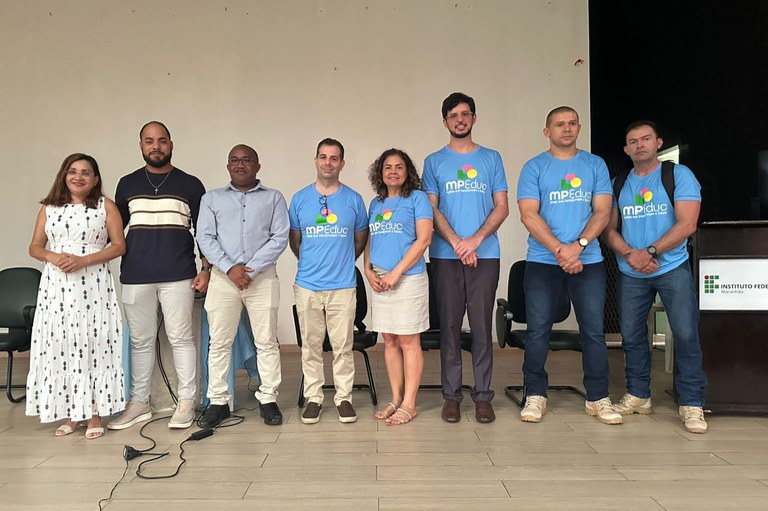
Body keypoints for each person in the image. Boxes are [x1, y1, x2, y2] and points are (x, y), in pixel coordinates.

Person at [517, 106, 622, 425]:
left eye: (572, 123)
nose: (567, 128)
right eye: (559, 124)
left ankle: (598, 397)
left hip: (587, 261)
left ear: (579, 128)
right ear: (547, 132)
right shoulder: (534, 167)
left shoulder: (595, 165)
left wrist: (578, 247)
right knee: (537, 331)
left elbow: (602, 211)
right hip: (542, 262)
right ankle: (535, 394)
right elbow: (528, 214)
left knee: (592, 331)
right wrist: (560, 249)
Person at [602, 120, 708, 433]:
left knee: (686, 334)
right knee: (633, 336)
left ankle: (691, 403)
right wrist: (631, 255)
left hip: (672, 266)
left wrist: (649, 252)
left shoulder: (678, 175)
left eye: (645, 139)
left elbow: (687, 224)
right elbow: (607, 228)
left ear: (658, 142)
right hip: (631, 270)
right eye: (633, 141)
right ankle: (638, 395)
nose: (639, 145)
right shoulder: (619, 181)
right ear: (626, 149)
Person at [108, 121, 209, 431]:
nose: (156, 146)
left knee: (181, 338)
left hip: (178, 273)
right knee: (140, 341)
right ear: (141, 145)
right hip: (135, 274)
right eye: (149, 141)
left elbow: (203, 233)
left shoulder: (191, 184)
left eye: (162, 141)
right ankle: (139, 403)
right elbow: (115, 233)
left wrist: (206, 269)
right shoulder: (126, 184)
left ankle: (186, 401)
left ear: (171, 145)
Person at [422, 92, 509, 424]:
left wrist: (475, 240)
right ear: (444, 122)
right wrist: (458, 242)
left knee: (482, 327)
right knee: (450, 328)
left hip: (485, 255)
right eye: (453, 115)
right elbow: (431, 208)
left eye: (465, 114)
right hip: (446, 255)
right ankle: (452, 396)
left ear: (474, 118)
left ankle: (483, 396)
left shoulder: (491, 158)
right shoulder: (434, 161)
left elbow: (502, 207)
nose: (460, 119)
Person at [26, 153, 126, 439]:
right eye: (73, 171)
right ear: (64, 175)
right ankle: (71, 411)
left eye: (86, 172)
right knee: (62, 343)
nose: (78, 177)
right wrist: (53, 257)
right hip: (56, 286)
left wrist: (84, 260)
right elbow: (34, 246)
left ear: (95, 178)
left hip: (92, 284)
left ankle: (94, 413)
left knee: (92, 343)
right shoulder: (49, 208)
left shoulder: (106, 207)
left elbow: (119, 246)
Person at [196, 144, 289, 427]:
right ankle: (219, 401)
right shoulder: (211, 199)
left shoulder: (273, 198)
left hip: (261, 279)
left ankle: (268, 398)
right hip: (224, 281)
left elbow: (280, 236)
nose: (240, 165)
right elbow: (205, 237)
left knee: (267, 341)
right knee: (219, 342)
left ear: (257, 166)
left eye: (246, 160)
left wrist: (249, 269)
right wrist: (229, 268)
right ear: (228, 167)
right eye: (234, 160)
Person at [289, 138, 368, 424]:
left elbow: (360, 239)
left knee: (342, 347)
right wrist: (312, 261)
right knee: (310, 346)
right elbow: (295, 240)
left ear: (342, 164)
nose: (328, 163)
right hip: (308, 284)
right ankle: (313, 398)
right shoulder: (299, 199)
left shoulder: (354, 199)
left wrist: (343, 261)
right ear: (316, 161)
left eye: (334, 158)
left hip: (343, 285)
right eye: (323, 157)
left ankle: (344, 398)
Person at [364, 149, 433, 426]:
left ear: (408, 172)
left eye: (399, 167)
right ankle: (395, 398)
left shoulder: (418, 199)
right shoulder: (375, 203)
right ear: (380, 173)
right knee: (389, 340)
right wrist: (368, 269)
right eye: (387, 167)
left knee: (408, 340)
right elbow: (370, 240)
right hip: (380, 281)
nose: (393, 171)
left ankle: (410, 404)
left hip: (408, 279)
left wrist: (397, 272)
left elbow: (424, 239)